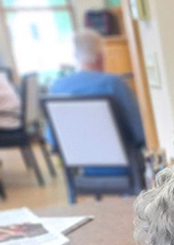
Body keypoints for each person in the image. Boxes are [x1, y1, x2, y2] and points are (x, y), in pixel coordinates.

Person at [48, 29, 145, 178]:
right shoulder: (114, 84)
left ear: (76, 56)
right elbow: (139, 131)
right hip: (124, 163)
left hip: (82, 165)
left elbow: (52, 138)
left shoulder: (57, 87)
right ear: (100, 56)